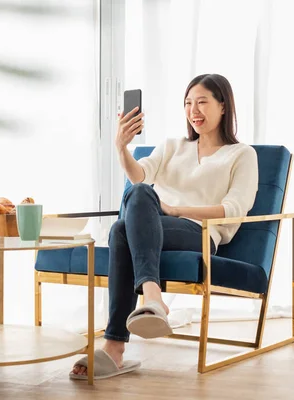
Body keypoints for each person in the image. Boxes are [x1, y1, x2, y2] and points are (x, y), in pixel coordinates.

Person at [70, 73, 258, 380]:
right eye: (187, 103)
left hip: (199, 233)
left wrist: (174, 209)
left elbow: (233, 210)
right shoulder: (172, 146)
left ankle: (115, 345)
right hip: (154, 227)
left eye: (202, 102)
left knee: (124, 225)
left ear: (223, 106)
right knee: (129, 213)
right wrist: (121, 148)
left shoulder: (241, 155)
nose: (193, 110)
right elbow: (138, 177)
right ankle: (151, 299)